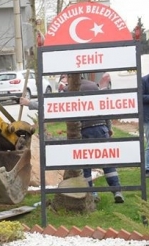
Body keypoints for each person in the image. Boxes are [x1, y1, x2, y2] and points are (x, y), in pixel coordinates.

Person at [20, 75, 125, 203]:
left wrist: (28, 103)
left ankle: (92, 194)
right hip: (100, 128)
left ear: (71, 78)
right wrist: (108, 127)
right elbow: (104, 108)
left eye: (65, 78)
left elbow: (50, 106)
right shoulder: (93, 86)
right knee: (107, 161)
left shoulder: (69, 90)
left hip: (84, 130)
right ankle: (117, 191)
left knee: (85, 165)